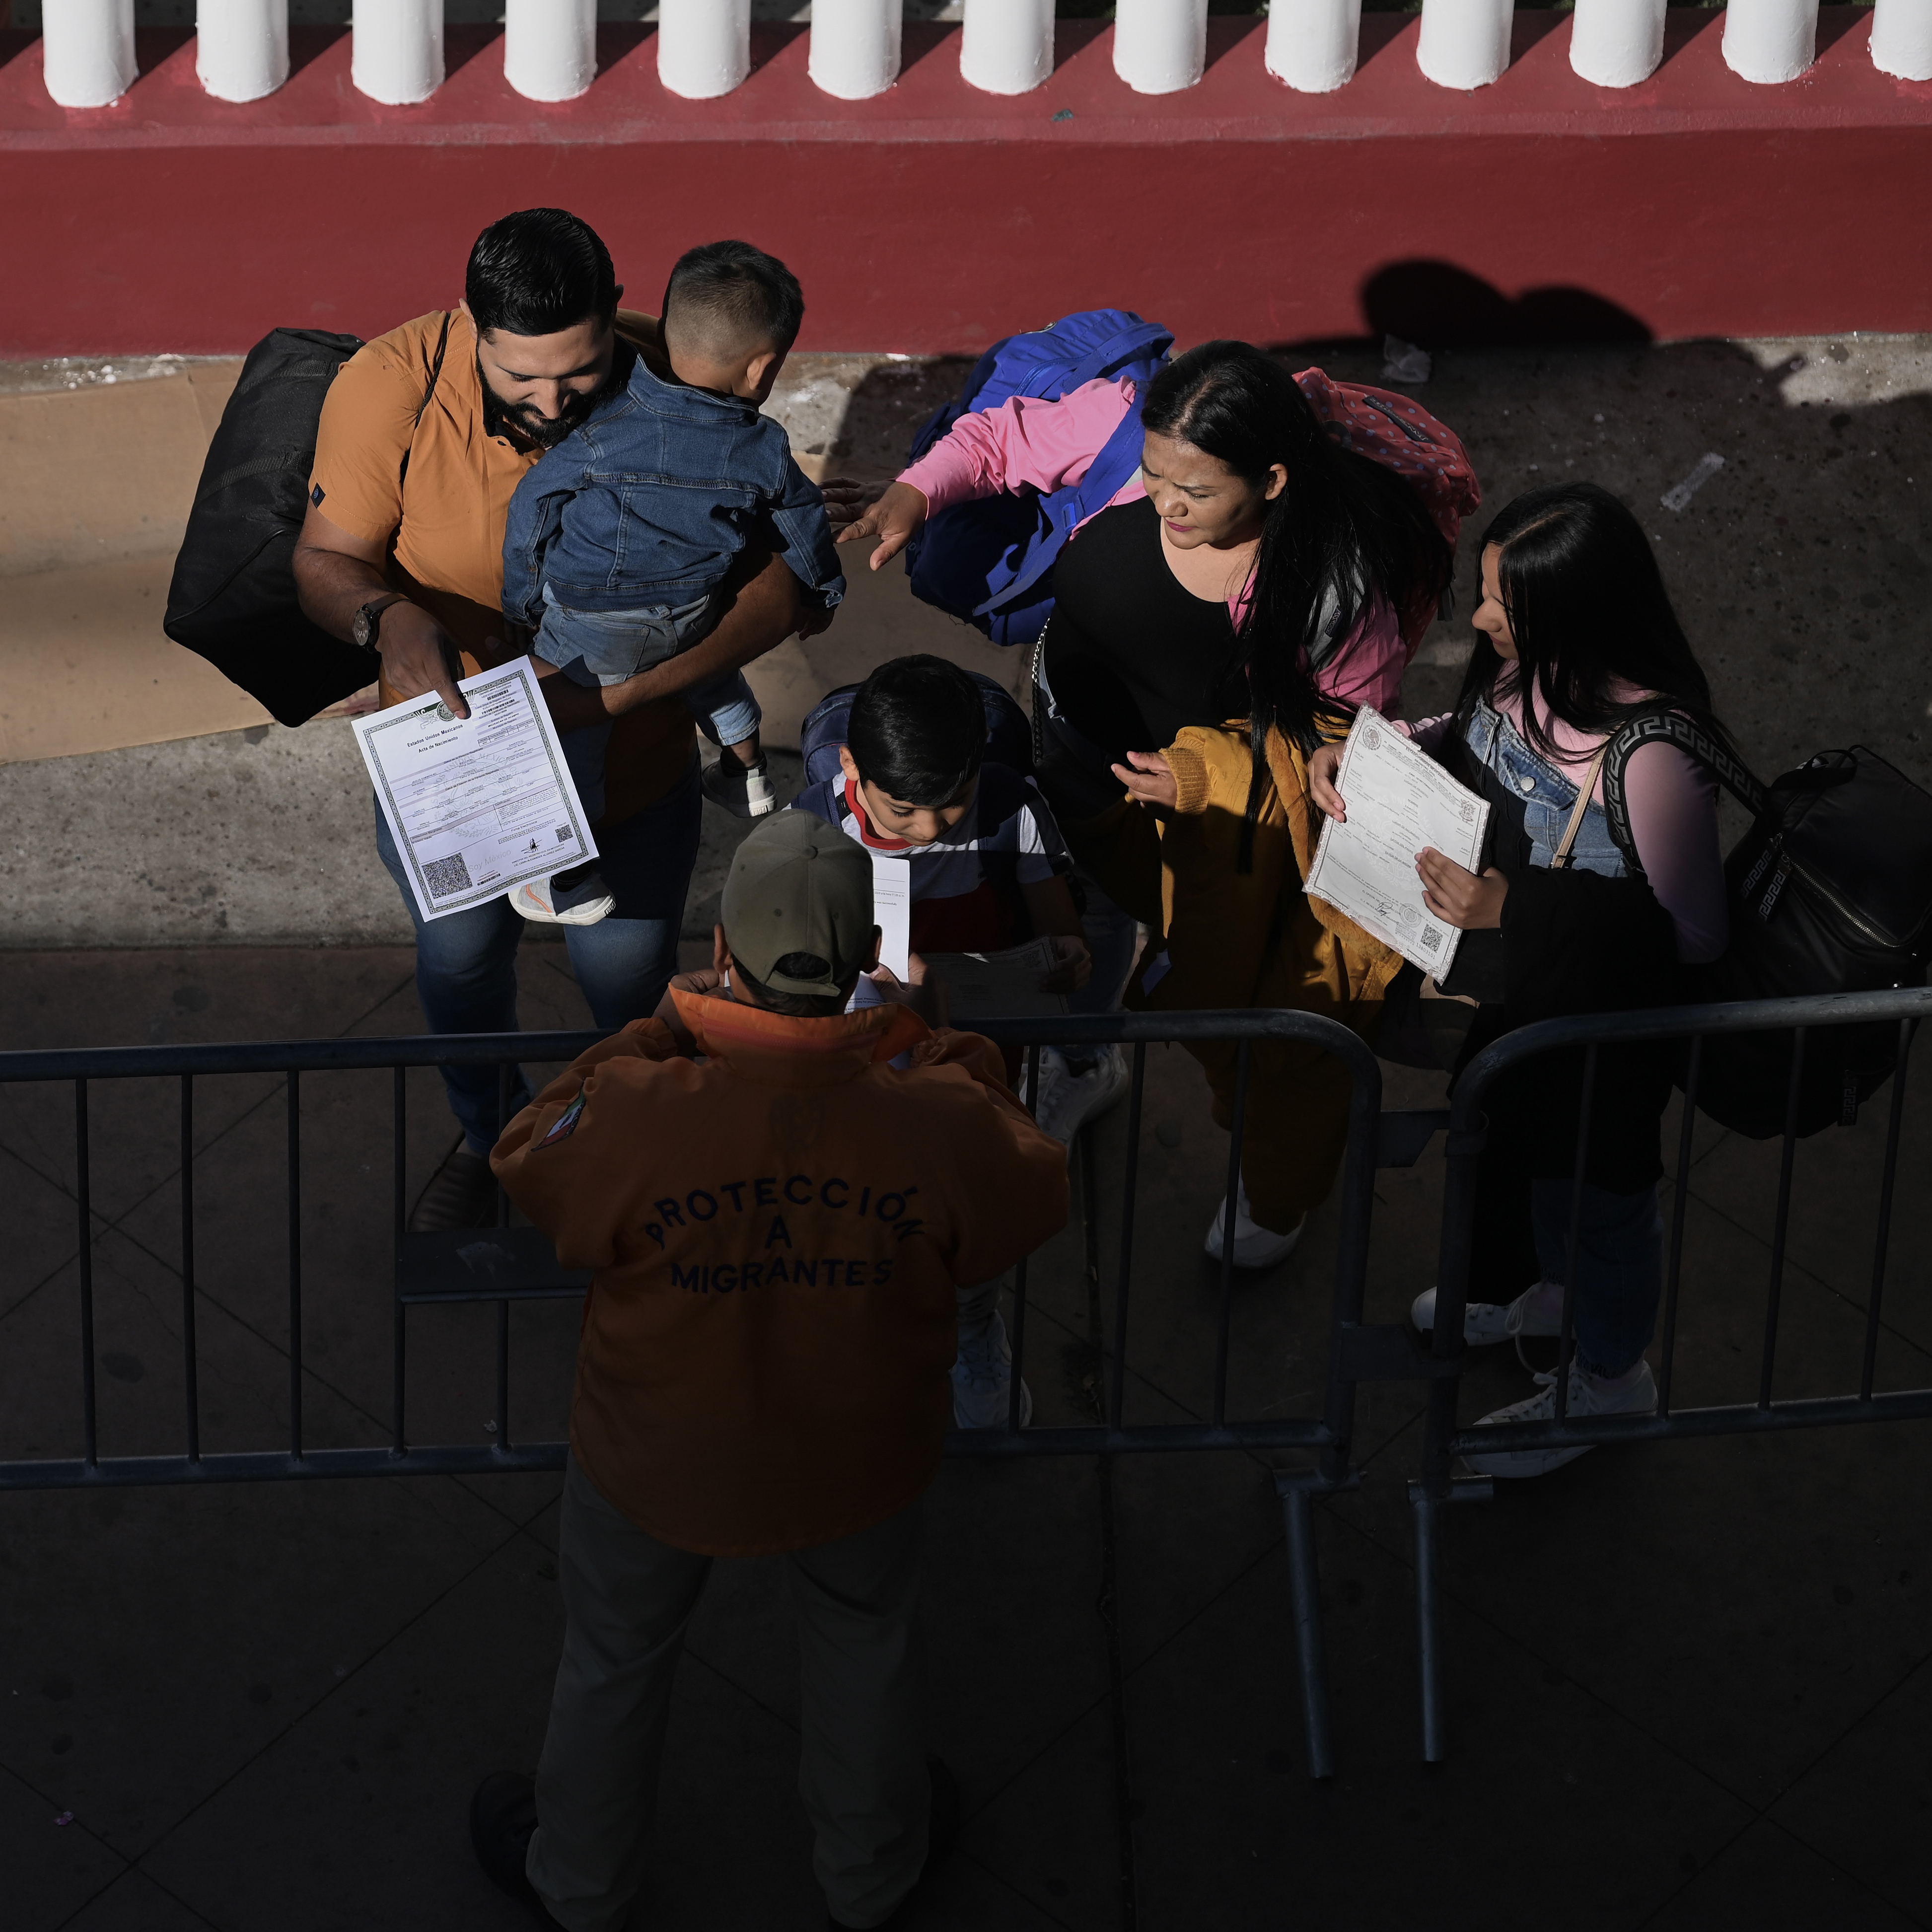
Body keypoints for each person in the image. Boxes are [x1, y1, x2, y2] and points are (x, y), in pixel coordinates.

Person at [467, 811, 1068, 1931]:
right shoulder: (926, 1108)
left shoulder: (647, 1105)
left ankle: (582, 1883)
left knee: (613, 1653)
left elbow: (527, 1154)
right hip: (856, 1453)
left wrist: (664, 1026)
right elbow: (1027, 1187)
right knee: (864, 1642)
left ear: (723, 950)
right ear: (858, 962)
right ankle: (869, 1871)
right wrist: (920, 1034)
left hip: (656, 1454)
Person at [838, 340, 1472, 1265]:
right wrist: (917, 491)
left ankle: (1277, 1191)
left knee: (1247, 1019)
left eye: (1197, 493)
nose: (1167, 505)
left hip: (1209, 838)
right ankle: (1092, 1061)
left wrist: (1206, 775)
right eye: (1152, 475)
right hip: (1078, 776)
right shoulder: (1124, 432)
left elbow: (1344, 760)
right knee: (1088, 920)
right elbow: (1001, 443)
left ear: (1273, 481)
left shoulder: (1337, 595)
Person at [293, 208, 808, 1231]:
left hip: (633, 773)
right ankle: (489, 1135)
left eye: (578, 376)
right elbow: (322, 558)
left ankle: (614, 1138)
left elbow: (784, 586)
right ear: (469, 325)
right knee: (458, 964)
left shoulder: (675, 372)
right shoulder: (390, 386)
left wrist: (621, 697)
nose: (551, 403)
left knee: (623, 989)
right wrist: (386, 618)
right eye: (519, 379)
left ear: (618, 321)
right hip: (459, 773)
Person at [1312, 482, 1729, 1477]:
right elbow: (1459, 746)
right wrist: (1367, 760)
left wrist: (1515, 909)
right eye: (1486, 591)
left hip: (1594, 1047)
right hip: (1518, 1015)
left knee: (1605, 1210)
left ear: (1578, 614)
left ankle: (1612, 1376)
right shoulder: (1520, 675)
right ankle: (1548, 1292)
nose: (1480, 619)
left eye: (1504, 603)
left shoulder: (1653, 754)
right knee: (1527, 1170)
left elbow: (1696, 938)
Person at [501, 239, 845, 926]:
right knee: (706, 672)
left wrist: (524, 601)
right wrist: (823, 595)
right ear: (764, 367)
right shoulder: (764, 447)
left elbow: (534, 508)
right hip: (692, 611)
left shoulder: (602, 429)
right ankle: (746, 772)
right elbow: (805, 527)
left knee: (575, 737)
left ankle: (573, 879)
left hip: (590, 625)